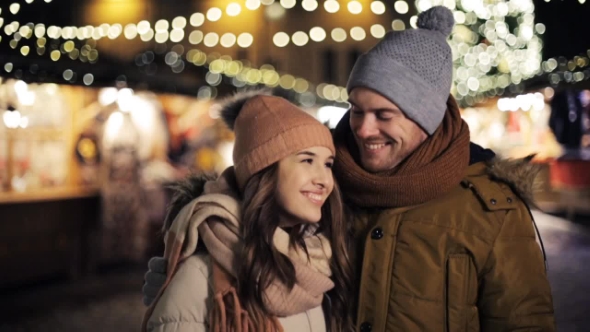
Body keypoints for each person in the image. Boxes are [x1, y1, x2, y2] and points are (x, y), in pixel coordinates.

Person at [144, 6, 555, 331]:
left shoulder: (491, 210)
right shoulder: (327, 180)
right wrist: (195, 263)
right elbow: (256, 207)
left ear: (425, 118)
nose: (363, 128)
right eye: (356, 110)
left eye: (383, 114)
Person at [141, 91, 354, 332]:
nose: (324, 180)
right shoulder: (200, 276)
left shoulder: (319, 267)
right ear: (264, 170)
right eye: (307, 160)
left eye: (328, 164)